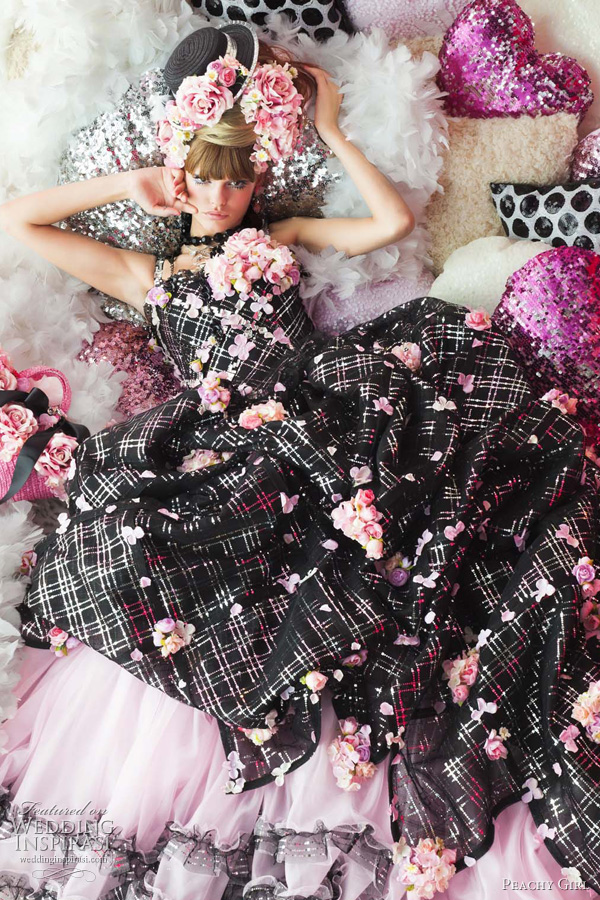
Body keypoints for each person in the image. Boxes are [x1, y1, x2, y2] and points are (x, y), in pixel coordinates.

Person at [0, 21, 598, 900]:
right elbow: (18, 217)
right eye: (206, 175)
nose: (220, 195)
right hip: (223, 431)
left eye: (238, 178)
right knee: (153, 546)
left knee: (417, 499)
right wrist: (132, 184)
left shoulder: (281, 233)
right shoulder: (148, 276)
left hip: (319, 400)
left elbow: (391, 221)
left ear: (259, 181)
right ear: (180, 171)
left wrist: (331, 131)